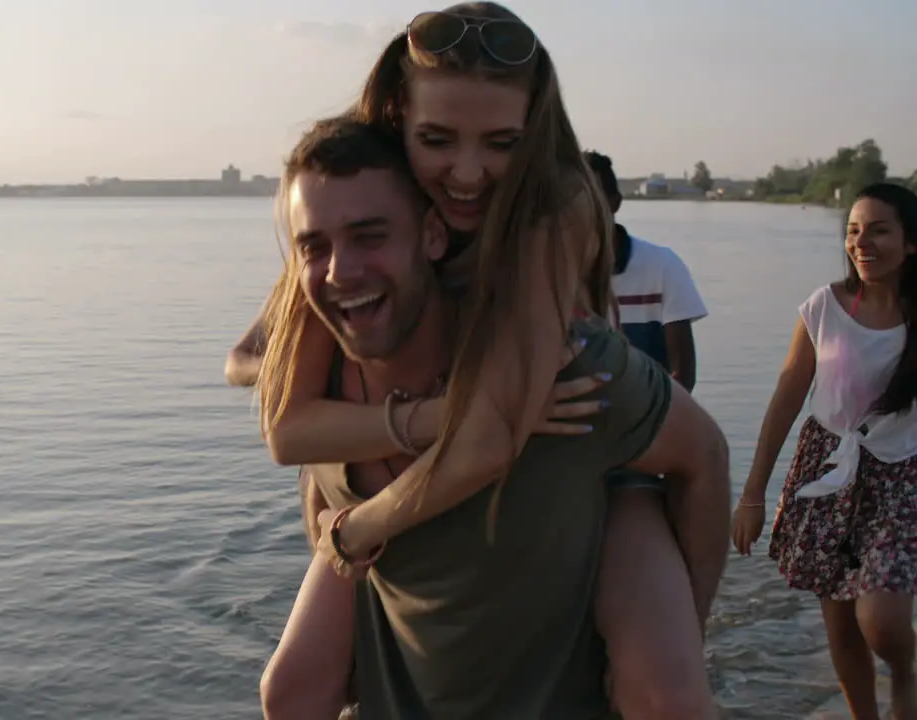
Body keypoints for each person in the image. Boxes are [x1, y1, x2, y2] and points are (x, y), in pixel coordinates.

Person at [231, 4, 729, 718]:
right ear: (400, 117)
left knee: (668, 690)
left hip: (596, 454)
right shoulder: (360, 204)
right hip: (434, 454)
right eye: (436, 139)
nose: (467, 174)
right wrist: (384, 439)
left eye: (501, 142)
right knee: (290, 691)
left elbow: (497, 436)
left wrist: (362, 528)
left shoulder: (549, 210)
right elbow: (281, 417)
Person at [733, 183, 917, 720]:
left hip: (901, 478)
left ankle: (906, 673)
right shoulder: (824, 306)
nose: (862, 242)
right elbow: (787, 398)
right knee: (840, 626)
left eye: (879, 230)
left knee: (881, 621)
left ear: (911, 243)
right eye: (854, 230)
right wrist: (752, 495)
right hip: (824, 469)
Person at [583, 151, 708, 391]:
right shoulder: (545, 274)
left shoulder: (662, 267)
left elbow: (682, 378)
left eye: (592, 198)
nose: (581, 209)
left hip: (649, 420)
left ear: (615, 203)